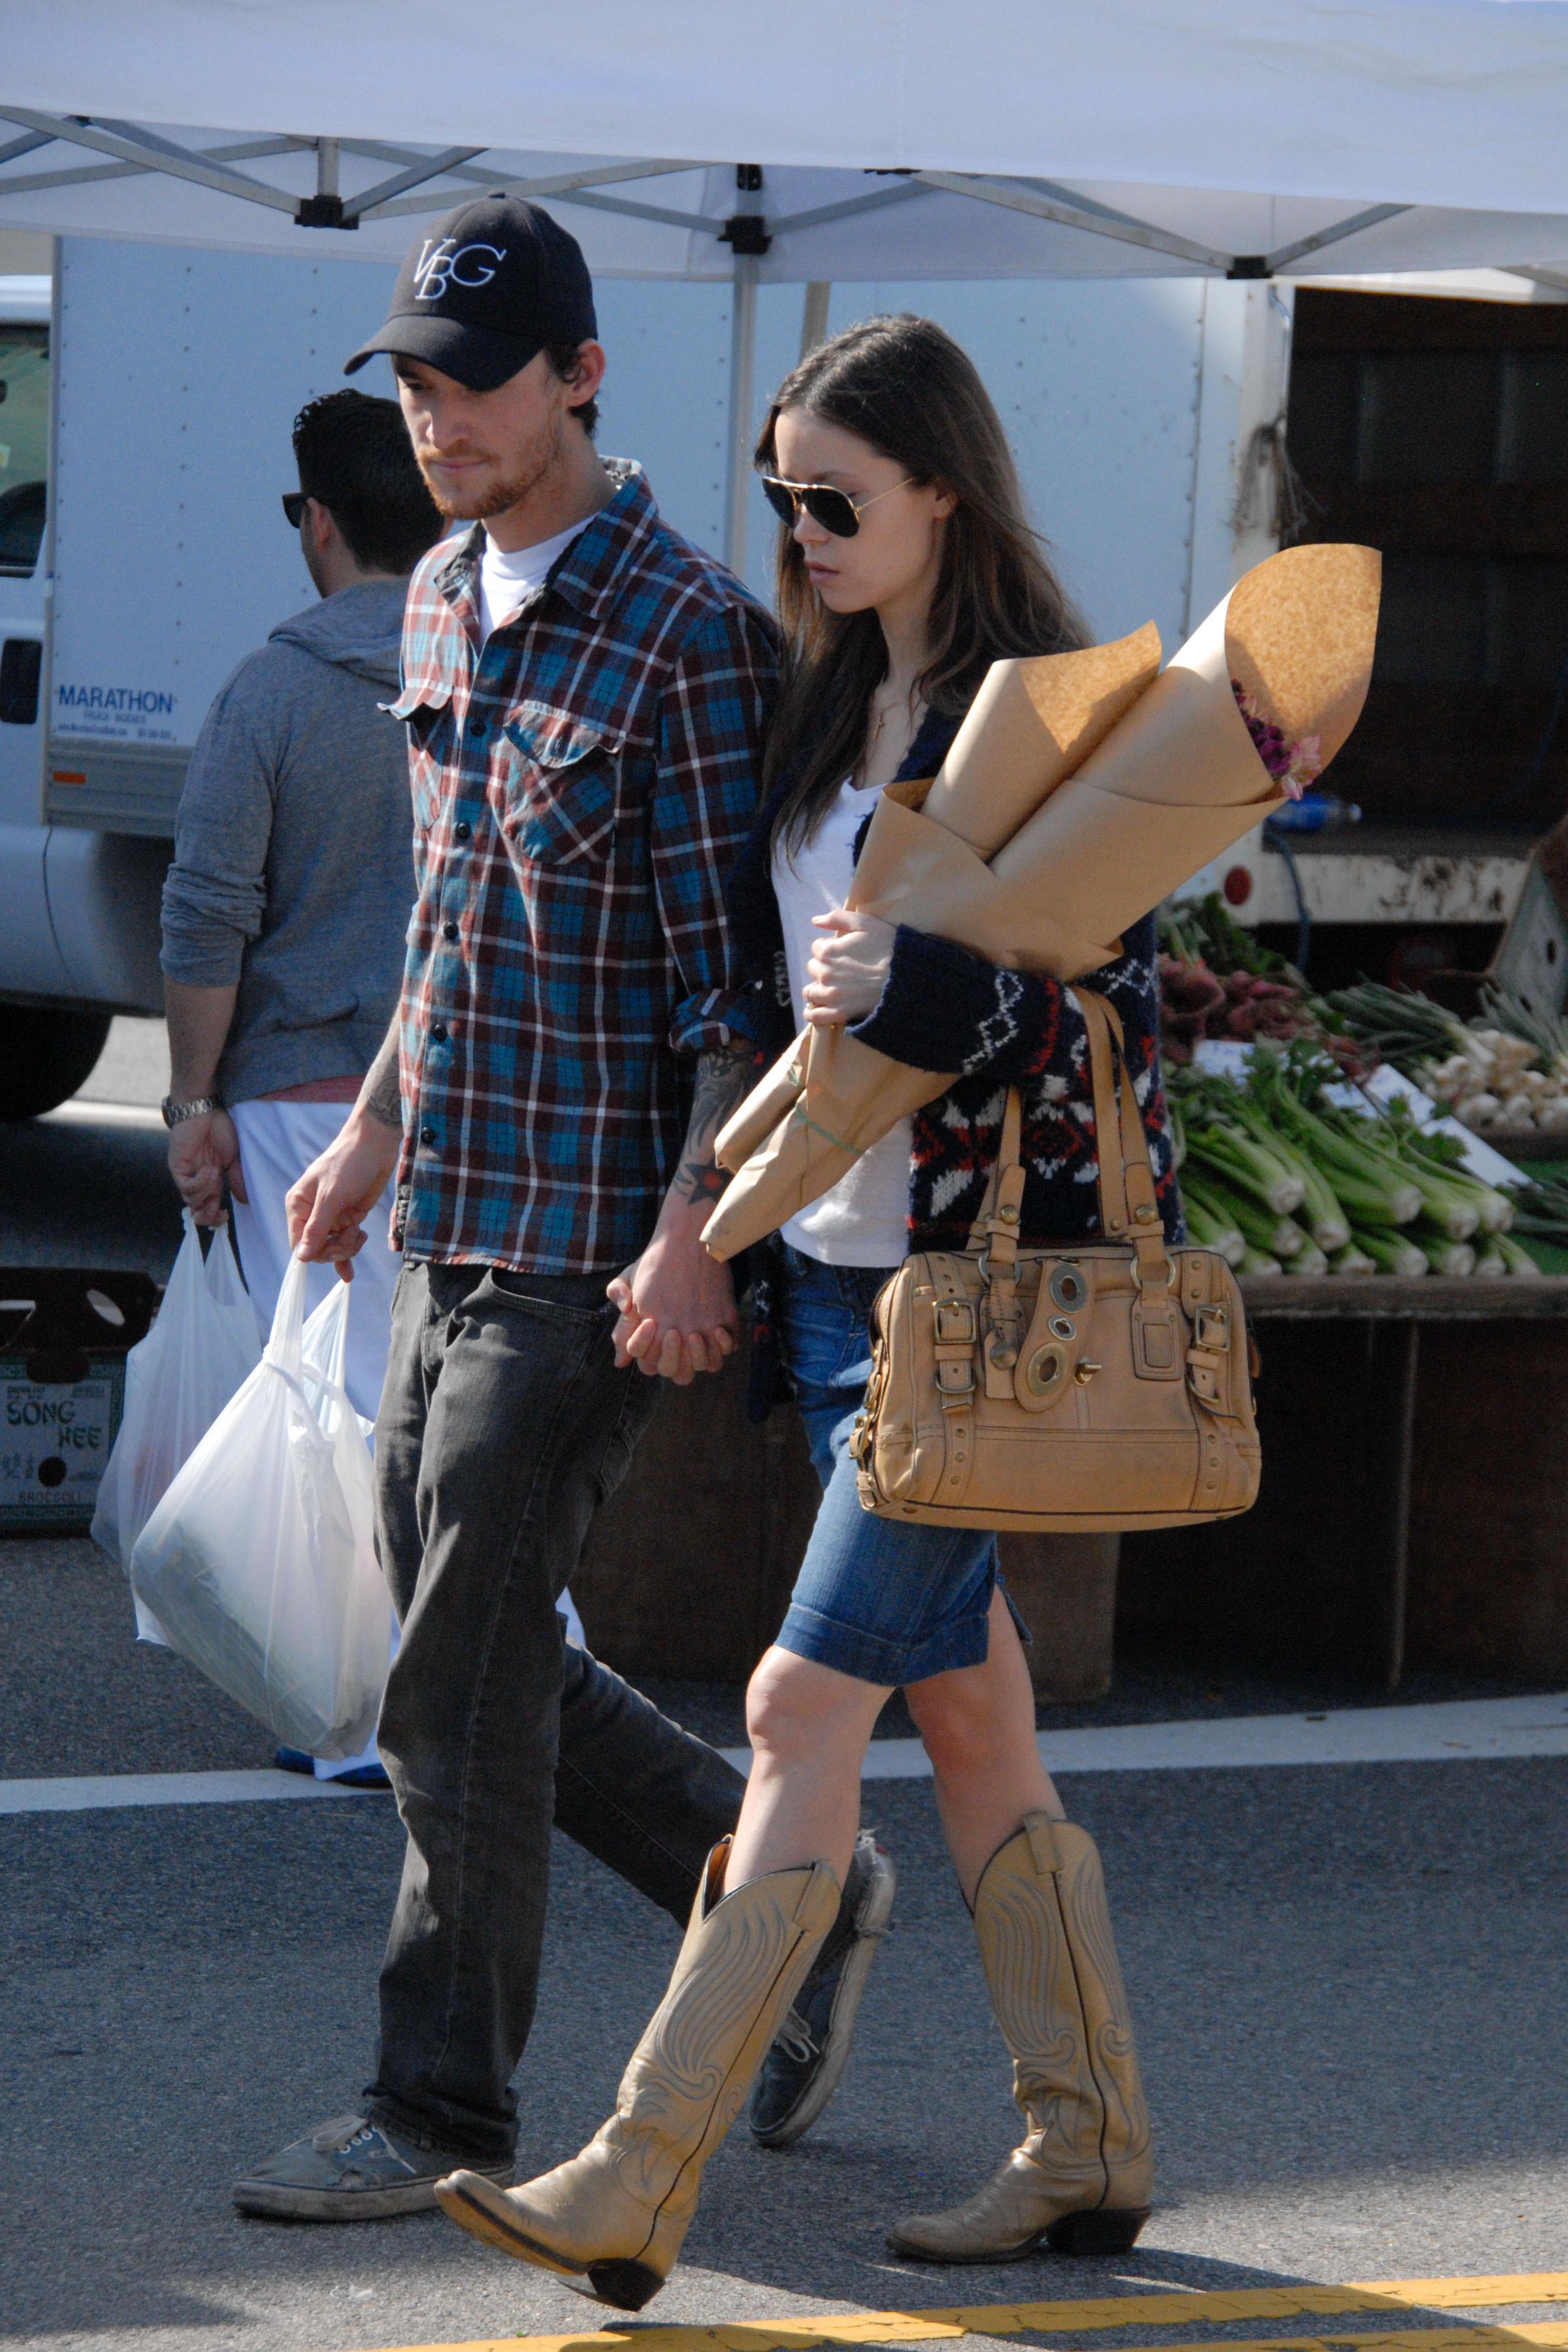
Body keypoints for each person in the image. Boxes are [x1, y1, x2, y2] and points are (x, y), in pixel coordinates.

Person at [434, 314, 1177, 2305]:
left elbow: (1125, 1015)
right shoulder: (817, 695)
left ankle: (636, 2178)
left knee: (791, 1709)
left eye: (837, 501)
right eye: (783, 502)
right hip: (838, 1291)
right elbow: (763, 1004)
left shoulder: (1055, 717)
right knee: (973, 1716)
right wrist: (700, 1219)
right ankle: (1090, 2140)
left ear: (944, 486)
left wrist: (922, 993)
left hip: (971, 1304)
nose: (804, 535)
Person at [229, 197, 892, 2223]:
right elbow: (446, 919)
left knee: (450, 1676)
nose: (436, 421)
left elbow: (733, 992)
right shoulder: (438, 595)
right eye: (413, 388)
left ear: (583, 378)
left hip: (595, 1247)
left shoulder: (692, 636)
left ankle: (438, 2106)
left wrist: (694, 1231)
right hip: (446, 1203)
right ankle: (778, 1884)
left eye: (474, 384)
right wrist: (369, 1133)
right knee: (475, 1635)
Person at [159, 387, 444, 1783]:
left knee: (337, 1408)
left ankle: (359, 1713)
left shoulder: (271, 692)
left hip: (300, 1105)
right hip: (468, 1096)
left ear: (319, 522)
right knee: (454, 1407)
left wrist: (189, 1102)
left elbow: (208, 914)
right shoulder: (488, 668)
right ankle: (511, 1689)